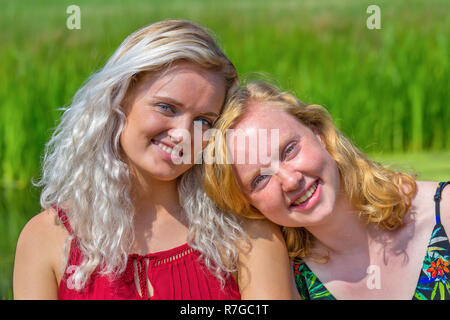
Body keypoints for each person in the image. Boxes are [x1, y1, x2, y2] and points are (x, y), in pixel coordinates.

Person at [13, 21, 295, 300]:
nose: (183, 134)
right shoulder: (46, 238)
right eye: (166, 107)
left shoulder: (246, 233)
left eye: (203, 121)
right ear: (120, 98)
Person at [203, 81, 450, 300]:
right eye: (260, 179)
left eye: (289, 150)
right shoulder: (291, 283)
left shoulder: (444, 212)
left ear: (318, 133)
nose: (290, 181)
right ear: (248, 204)